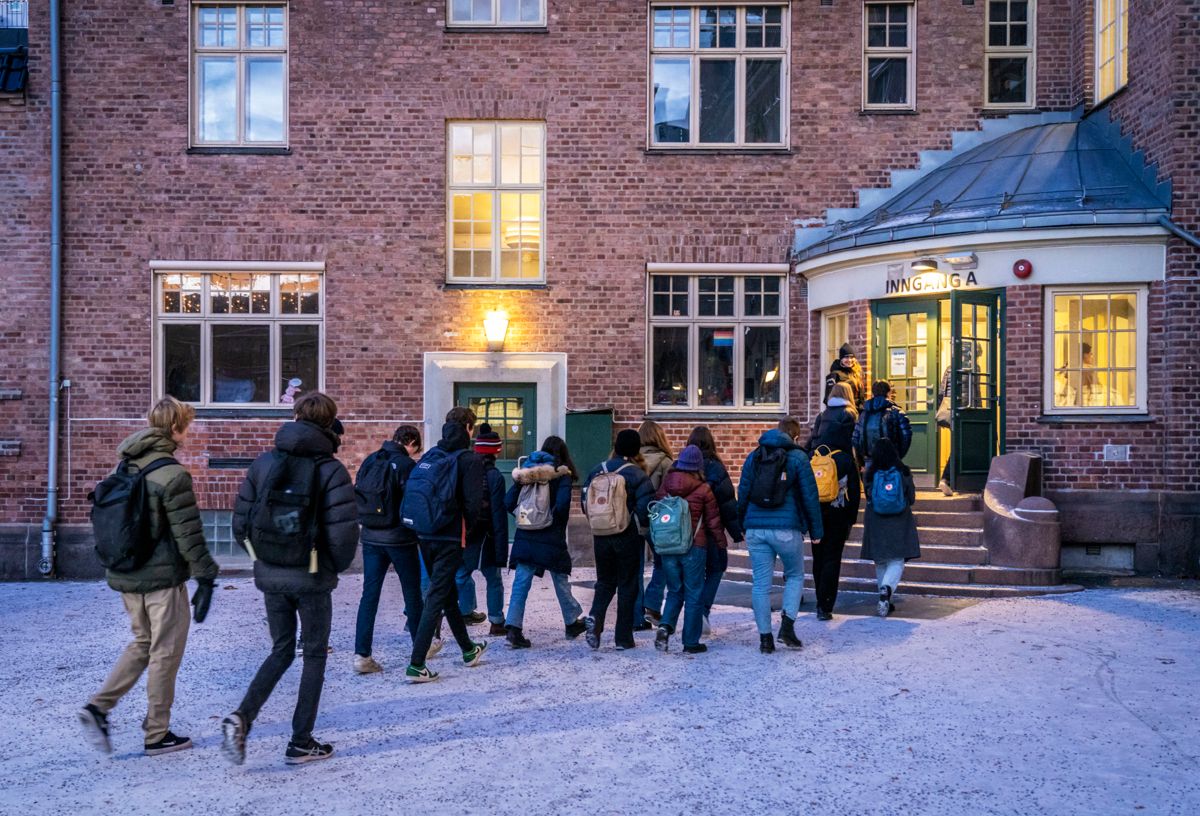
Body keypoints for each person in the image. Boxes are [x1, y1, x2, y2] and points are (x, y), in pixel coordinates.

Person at [221, 392, 358, 765]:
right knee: (314, 654)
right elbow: (344, 534)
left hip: (271, 573)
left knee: (281, 649)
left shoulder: (264, 463)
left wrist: (262, 557)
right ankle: (301, 740)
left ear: (295, 416)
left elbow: (239, 523)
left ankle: (243, 716)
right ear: (330, 423)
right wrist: (330, 567)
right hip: (312, 576)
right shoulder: (330, 470)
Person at [79, 396, 220, 757]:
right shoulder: (172, 474)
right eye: (186, 424)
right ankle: (157, 733)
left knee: (143, 643)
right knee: (165, 652)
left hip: (126, 574)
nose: (188, 430)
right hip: (161, 582)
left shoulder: (123, 467)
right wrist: (205, 577)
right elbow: (189, 534)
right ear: (176, 428)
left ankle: (98, 707)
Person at [402, 419, 490, 682]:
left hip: (424, 531)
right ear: (467, 429)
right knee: (437, 595)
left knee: (447, 593)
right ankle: (417, 664)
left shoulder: (431, 455)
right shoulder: (469, 460)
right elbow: (474, 503)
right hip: (450, 535)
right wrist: (470, 530)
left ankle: (468, 649)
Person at [352, 424, 436, 675]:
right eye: (415, 448)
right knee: (411, 593)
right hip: (400, 538)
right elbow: (413, 502)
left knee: (369, 594)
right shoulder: (406, 465)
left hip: (370, 536)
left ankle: (362, 654)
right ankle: (421, 648)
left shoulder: (370, 460)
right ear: (410, 442)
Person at [737, 418, 824, 654]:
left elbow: (743, 490)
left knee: (761, 585)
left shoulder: (755, 456)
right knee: (795, 575)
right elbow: (809, 497)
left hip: (756, 528)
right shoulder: (798, 458)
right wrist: (816, 530)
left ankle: (765, 639)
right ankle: (787, 627)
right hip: (787, 528)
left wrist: (741, 522)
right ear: (795, 437)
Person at [503, 436, 588, 648]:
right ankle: (571, 622)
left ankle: (513, 628)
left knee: (521, 582)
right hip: (551, 537)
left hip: (526, 535)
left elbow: (507, 502)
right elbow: (562, 505)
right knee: (560, 578)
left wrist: (526, 518)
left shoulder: (526, 475)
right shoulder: (562, 475)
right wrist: (550, 522)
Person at [581, 429, 654, 650]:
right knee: (628, 583)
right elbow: (644, 509)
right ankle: (623, 638)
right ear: (635, 449)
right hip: (627, 535)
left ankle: (595, 617)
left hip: (601, 535)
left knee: (604, 581)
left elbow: (586, 502)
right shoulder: (637, 474)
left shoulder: (596, 470)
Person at [652, 445, 724, 654]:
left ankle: (665, 626)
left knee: (675, 590)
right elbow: (713, 522)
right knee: (694, 592)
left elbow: (656, 513)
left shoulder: (666, 486)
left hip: (668, 547)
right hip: (694, 547)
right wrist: (720, 544)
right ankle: (691, 642)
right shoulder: (704, 489)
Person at [805, 382, 861, 620]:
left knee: (818, 554)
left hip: (817, 508)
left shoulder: (820, 416)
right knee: (832, 557)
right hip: (838, 511)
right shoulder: (845, 456)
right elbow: (854, 492)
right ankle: (825, 605)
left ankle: (819, 598)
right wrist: (851, 517)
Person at [686, 426, 742, 634]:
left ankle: (693, 615)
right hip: (711, 530)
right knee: (716, 568)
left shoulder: (680, 467)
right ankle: (702, 611)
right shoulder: (716, 469)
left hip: (685, 532)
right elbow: (728, 504)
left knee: (693, 574)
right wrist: (736, 532)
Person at [455, 425, 508, 636]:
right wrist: (501, 549)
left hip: (465, 532)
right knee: (493, 578)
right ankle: (496, 621)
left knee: (461, 573)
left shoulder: (464, 471)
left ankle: (465, 610)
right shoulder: (496, 476)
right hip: (487, 535)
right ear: (497, 451)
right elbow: (498, 515)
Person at [860, 437, 920, 617]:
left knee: (880, 560)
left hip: (876, 520)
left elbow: (869, 496)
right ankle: (886, 590)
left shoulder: (869, 473)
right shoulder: (903, 471)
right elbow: (911, 498)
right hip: (899, 519)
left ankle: (885, 597)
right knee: (897, 560)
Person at [637, 420, 674, 630]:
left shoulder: (631, 461)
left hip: (632, 520)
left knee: (635, 568)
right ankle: (652, 604)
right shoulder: (665, 462)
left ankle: (636, 616)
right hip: (657, 521)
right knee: (662, 563)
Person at [853, 380, 913, 471]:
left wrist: (861, 461)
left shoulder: (863, 414)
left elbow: (855, 439)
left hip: (870, 459)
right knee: (891, 483)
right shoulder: (896, 412)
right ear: (889, 393)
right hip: (891, 460)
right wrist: (897, 455)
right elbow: (906, 436)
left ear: (873, 393)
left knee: (872, 483)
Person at [823, 343, 865, 409]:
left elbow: (861, 397)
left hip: (857, 413)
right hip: (843, 413)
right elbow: (828, 399)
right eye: (846, 357)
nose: (849, 360)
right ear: (841, 359)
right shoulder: (834, 375)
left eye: (851, 357)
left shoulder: (857, 373)